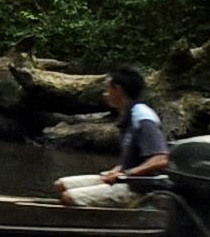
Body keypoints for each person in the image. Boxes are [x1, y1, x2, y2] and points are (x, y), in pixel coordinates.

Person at [56, 65, 170, 206]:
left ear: (118, 89)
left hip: (138, 189)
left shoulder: (143, 118)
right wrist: (117, 170)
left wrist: (127, 174)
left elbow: (161, 159)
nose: (105, 94)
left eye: (107, 89)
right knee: (61, 185)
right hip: (126, 180)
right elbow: (134, 158)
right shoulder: (127, 115)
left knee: (68, 197)